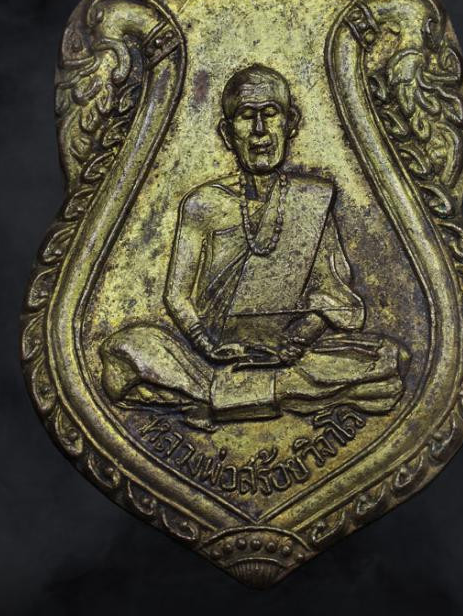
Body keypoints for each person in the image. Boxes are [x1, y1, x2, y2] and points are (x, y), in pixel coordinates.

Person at [100, 64, 410, 428]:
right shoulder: (203, 204)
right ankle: (268, 392)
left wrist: (298, 339)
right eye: (247, 116)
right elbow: (176, 295)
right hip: (210, 356)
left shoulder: (311, 198)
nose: (260, 130)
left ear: (291, 123)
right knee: (128, 351)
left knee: (387, 361)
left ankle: (220, 397)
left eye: (270, 114)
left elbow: (333, 294)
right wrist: (207, 346)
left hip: (286, 356)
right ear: (227, 132)